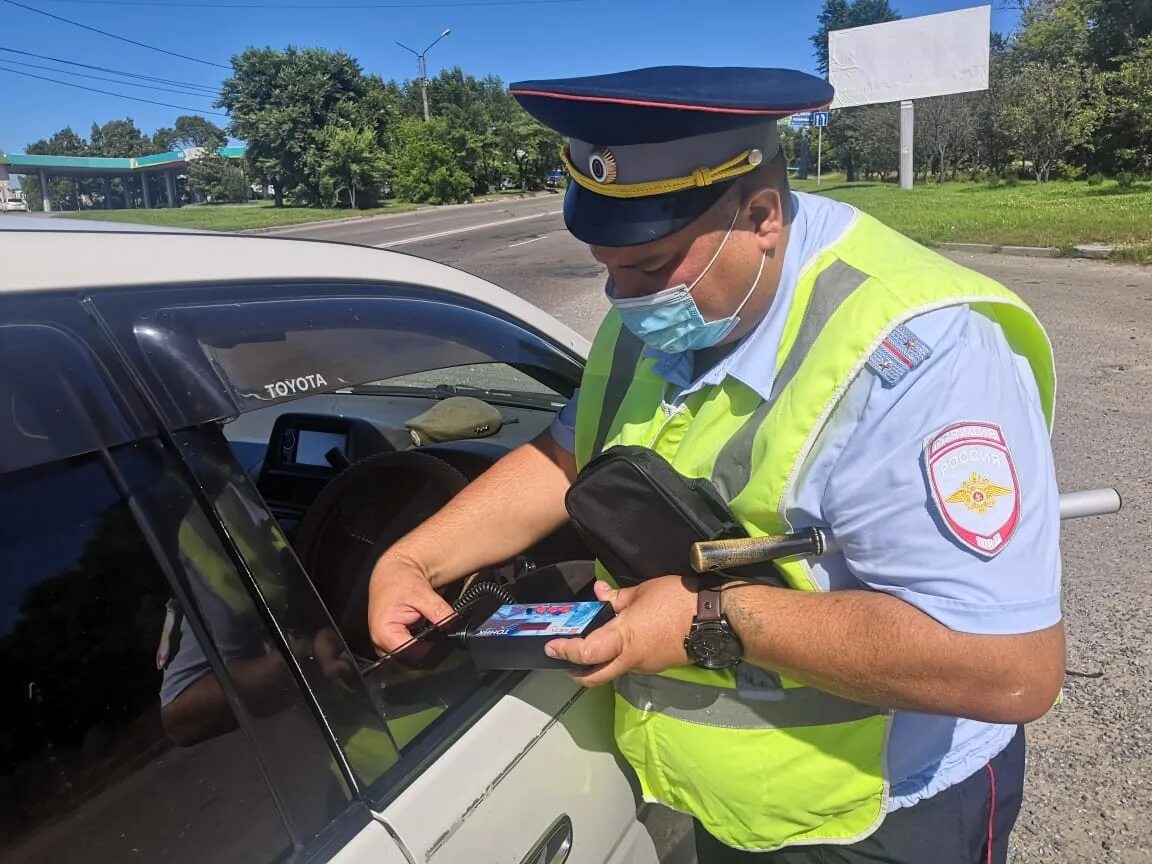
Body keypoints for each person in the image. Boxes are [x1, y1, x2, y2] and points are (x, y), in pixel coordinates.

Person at [367, 65, 1065, 863]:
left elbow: (1009, 669)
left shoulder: (922, 356)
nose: (621, 298)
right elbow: (567, 455)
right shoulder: (668, 308)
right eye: (607, 265)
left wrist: (708, 620)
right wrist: (414, 557)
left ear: (762, 215)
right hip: (729, 806)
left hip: (888, 819)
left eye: (651, 268)